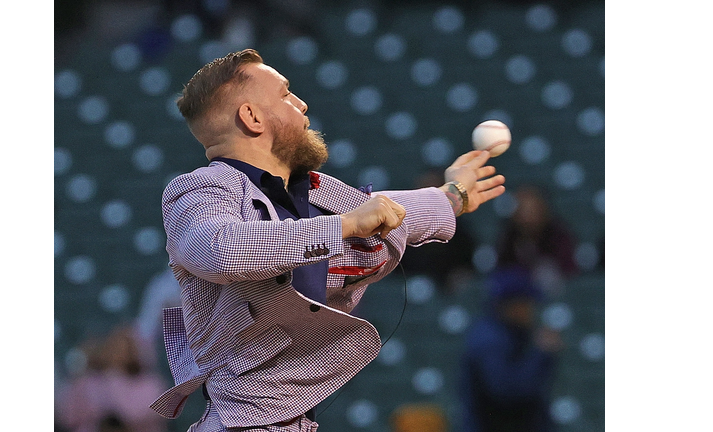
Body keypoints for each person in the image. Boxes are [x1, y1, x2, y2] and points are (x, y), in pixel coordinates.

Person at [149, 48, 506, 432]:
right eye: (285, 94)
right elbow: (223, 250)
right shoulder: (200, 190)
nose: (301, 104)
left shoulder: (313, 195)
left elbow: (388, 211)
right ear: (252, 117)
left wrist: (453, 195)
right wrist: (344, 225)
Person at [458, 266, 563, 432]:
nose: (531, 310)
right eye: (526, 303)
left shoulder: (509, 334)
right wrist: (542, 354)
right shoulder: (489, 340)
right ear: (509, 305)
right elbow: (507, 391)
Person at [57, 325, 170, 432]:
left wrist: (114, 377)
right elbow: (69, 416)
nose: (118, 353)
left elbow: (134, 415)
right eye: (115, 347)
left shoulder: (150, 384)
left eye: (125, 348)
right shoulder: (90, 381)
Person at [495, 185, 578, 296]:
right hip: (516, 296)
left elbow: (568, 272)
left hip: (551, 294)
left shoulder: (559, 236)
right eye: (522, 210)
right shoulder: (508, 237)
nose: (526, 217)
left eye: (531, 210)